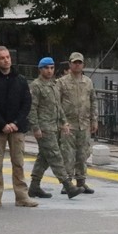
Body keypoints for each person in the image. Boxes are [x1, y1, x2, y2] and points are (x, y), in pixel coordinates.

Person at [0, 45, 36, 208]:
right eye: (2, 58)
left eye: (8, 57)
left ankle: (21, 195)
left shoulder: (20, 80)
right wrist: (2, 124)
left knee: (18, 162)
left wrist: (15, 123)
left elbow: (26, 103)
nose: (6, 60)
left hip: (17, 127)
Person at [28, 57, 80, 199]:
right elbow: (32, 108)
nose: (49, 71)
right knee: (56, 156)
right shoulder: (36, 86)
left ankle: (34, 186)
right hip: (44, 128)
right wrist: (35, 127)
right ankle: (68, 185)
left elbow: (58, 106)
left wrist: (64, 122)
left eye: (51, 68)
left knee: (44, 158)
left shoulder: (54, 85)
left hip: (55, 126)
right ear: (40, 69)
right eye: (46, 68)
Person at [59, 51, 97, 194]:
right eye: (74, 62)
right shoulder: (62, 82)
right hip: (69, 124)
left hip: (84, 124)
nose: (77, 65)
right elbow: (57, 103)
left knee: (83, 154)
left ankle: (81, 182)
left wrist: (94, 120)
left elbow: (93, 101)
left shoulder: (88, 82)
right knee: (68, 154)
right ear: (70, 64)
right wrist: (61, 123)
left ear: (83, 65)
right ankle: (67, 183)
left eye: (79, 62)